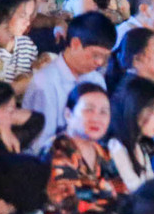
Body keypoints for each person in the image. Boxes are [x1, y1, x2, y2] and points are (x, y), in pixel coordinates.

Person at [23, 11, 114, 152]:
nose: (100, 62)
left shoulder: (96, 79)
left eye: (105, 57)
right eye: (95, 55)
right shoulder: (45, 83)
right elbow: (41, 144)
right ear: (75, 44)